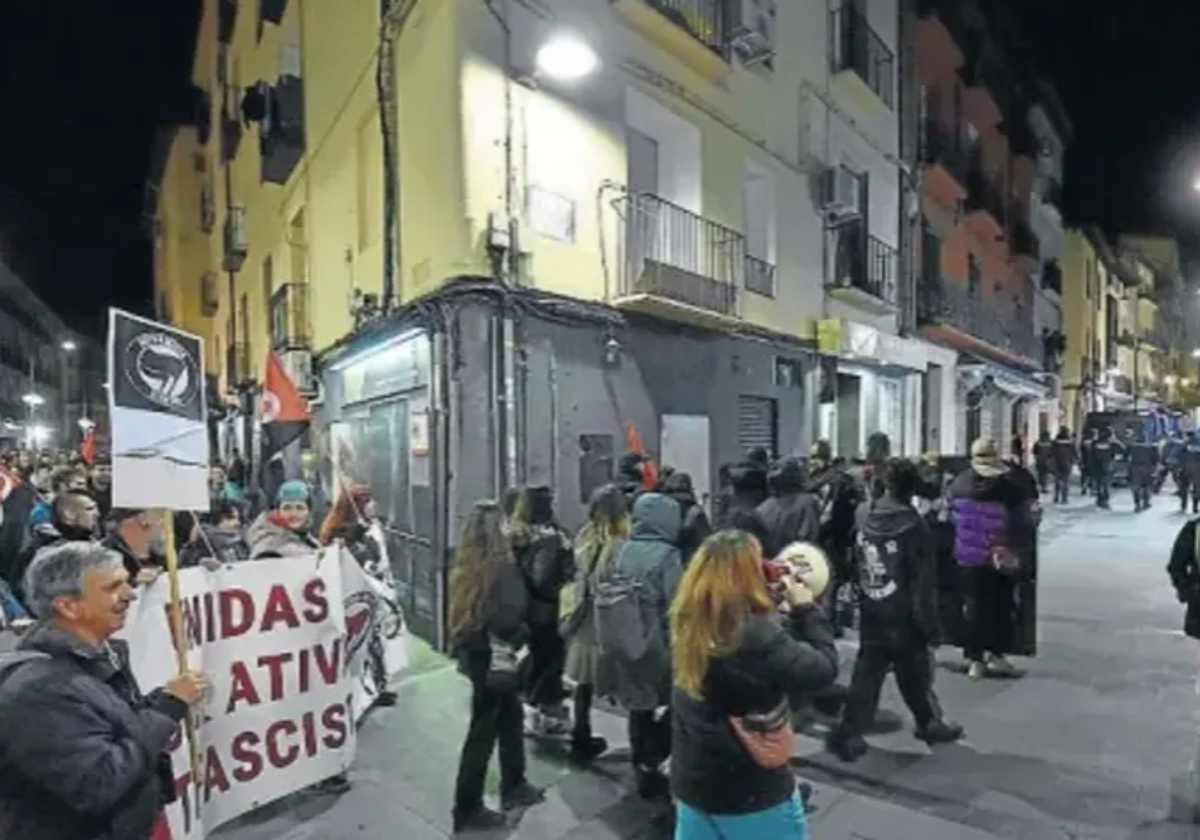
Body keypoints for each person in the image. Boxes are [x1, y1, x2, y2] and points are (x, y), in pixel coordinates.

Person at [0, 541, 208, 840]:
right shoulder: (38, 690)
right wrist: (167, 707)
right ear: (68, 606)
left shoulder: (100, 658)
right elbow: (100, 780)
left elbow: (115, 726)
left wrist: (164, 700)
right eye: (113, 587)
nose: (130, 594)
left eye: (126, 582)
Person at [669, 531, 838, 840]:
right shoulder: (754, 636)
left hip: (694, 779)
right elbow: (823, 670)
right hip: (747, 792)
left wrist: (766, 596)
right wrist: (805, 610)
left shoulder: (689, 615)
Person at [826, 459, 963, 761]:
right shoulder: (914, 525)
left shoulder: (866, 514)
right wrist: (930, 625)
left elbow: (852, 553)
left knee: (868, 672)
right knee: (914, 672)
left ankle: (849, 732)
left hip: (872, 605)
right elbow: (922, 582)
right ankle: (928, 723)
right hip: (903, 613)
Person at [450, 500, 544, 831]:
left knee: (510, 720)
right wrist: (524, 632)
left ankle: (515, 783)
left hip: (478, 656)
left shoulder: (466, 564)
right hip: (497, 657)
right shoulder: (502, 569)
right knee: (483, 733)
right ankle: (467, 807)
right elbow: (507, 616)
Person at [947, 438, 1036, 680]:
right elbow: (1023, 523)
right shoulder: (1009, 489)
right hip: (999, 558)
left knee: (974, 609)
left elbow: (950, 516)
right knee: (1001, 607)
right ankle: (996, 655)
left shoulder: (958, 484)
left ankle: (975, 660)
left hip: (967, 558)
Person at [561, 484, 627, 763]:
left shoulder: (584, 536)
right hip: (609, 617)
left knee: (584, 682)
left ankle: (580, 733)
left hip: (584, 615)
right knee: (626, 679)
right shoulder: (622, 541)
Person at [507, 486, 574, 736]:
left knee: (538, 656)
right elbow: (543, 578)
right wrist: (563, 584)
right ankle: (538, 709)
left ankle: (533, 708)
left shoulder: (516, 532)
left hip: (525, 606)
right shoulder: (549, 536)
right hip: (546, 607)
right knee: (551, 658)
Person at [1128, 429, 1158, 513]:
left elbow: (1126, 457)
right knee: (1147, 486)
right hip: (1148, 468)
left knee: (1136, 487)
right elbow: (1156, 460)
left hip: (1135, 468)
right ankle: (1146, 503)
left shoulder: (1132, 446)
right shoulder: (1152, 447)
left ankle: (1137, 505)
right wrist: (1154, 470)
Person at [1050, 427, 1075, 504]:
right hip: (1067, 464)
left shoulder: (1055, 442)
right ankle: (1064, 499)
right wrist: (1074, 461)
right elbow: (1074, 453)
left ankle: (1056, 497)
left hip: (1057, 463)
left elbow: (1051, 453)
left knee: (1057, 481)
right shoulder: (1071, 442)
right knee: (1066, 482)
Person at [1032, 430, 1053, 495]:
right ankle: (1045, 487)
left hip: (1039, 460)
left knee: (1040, 474)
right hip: (1047, 461)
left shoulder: (1037, 443)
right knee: (1046, 474)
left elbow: (1034, 452)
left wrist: (1036, 458)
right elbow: (1052, 453)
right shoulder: (1050, 443)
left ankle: (1041, 485)